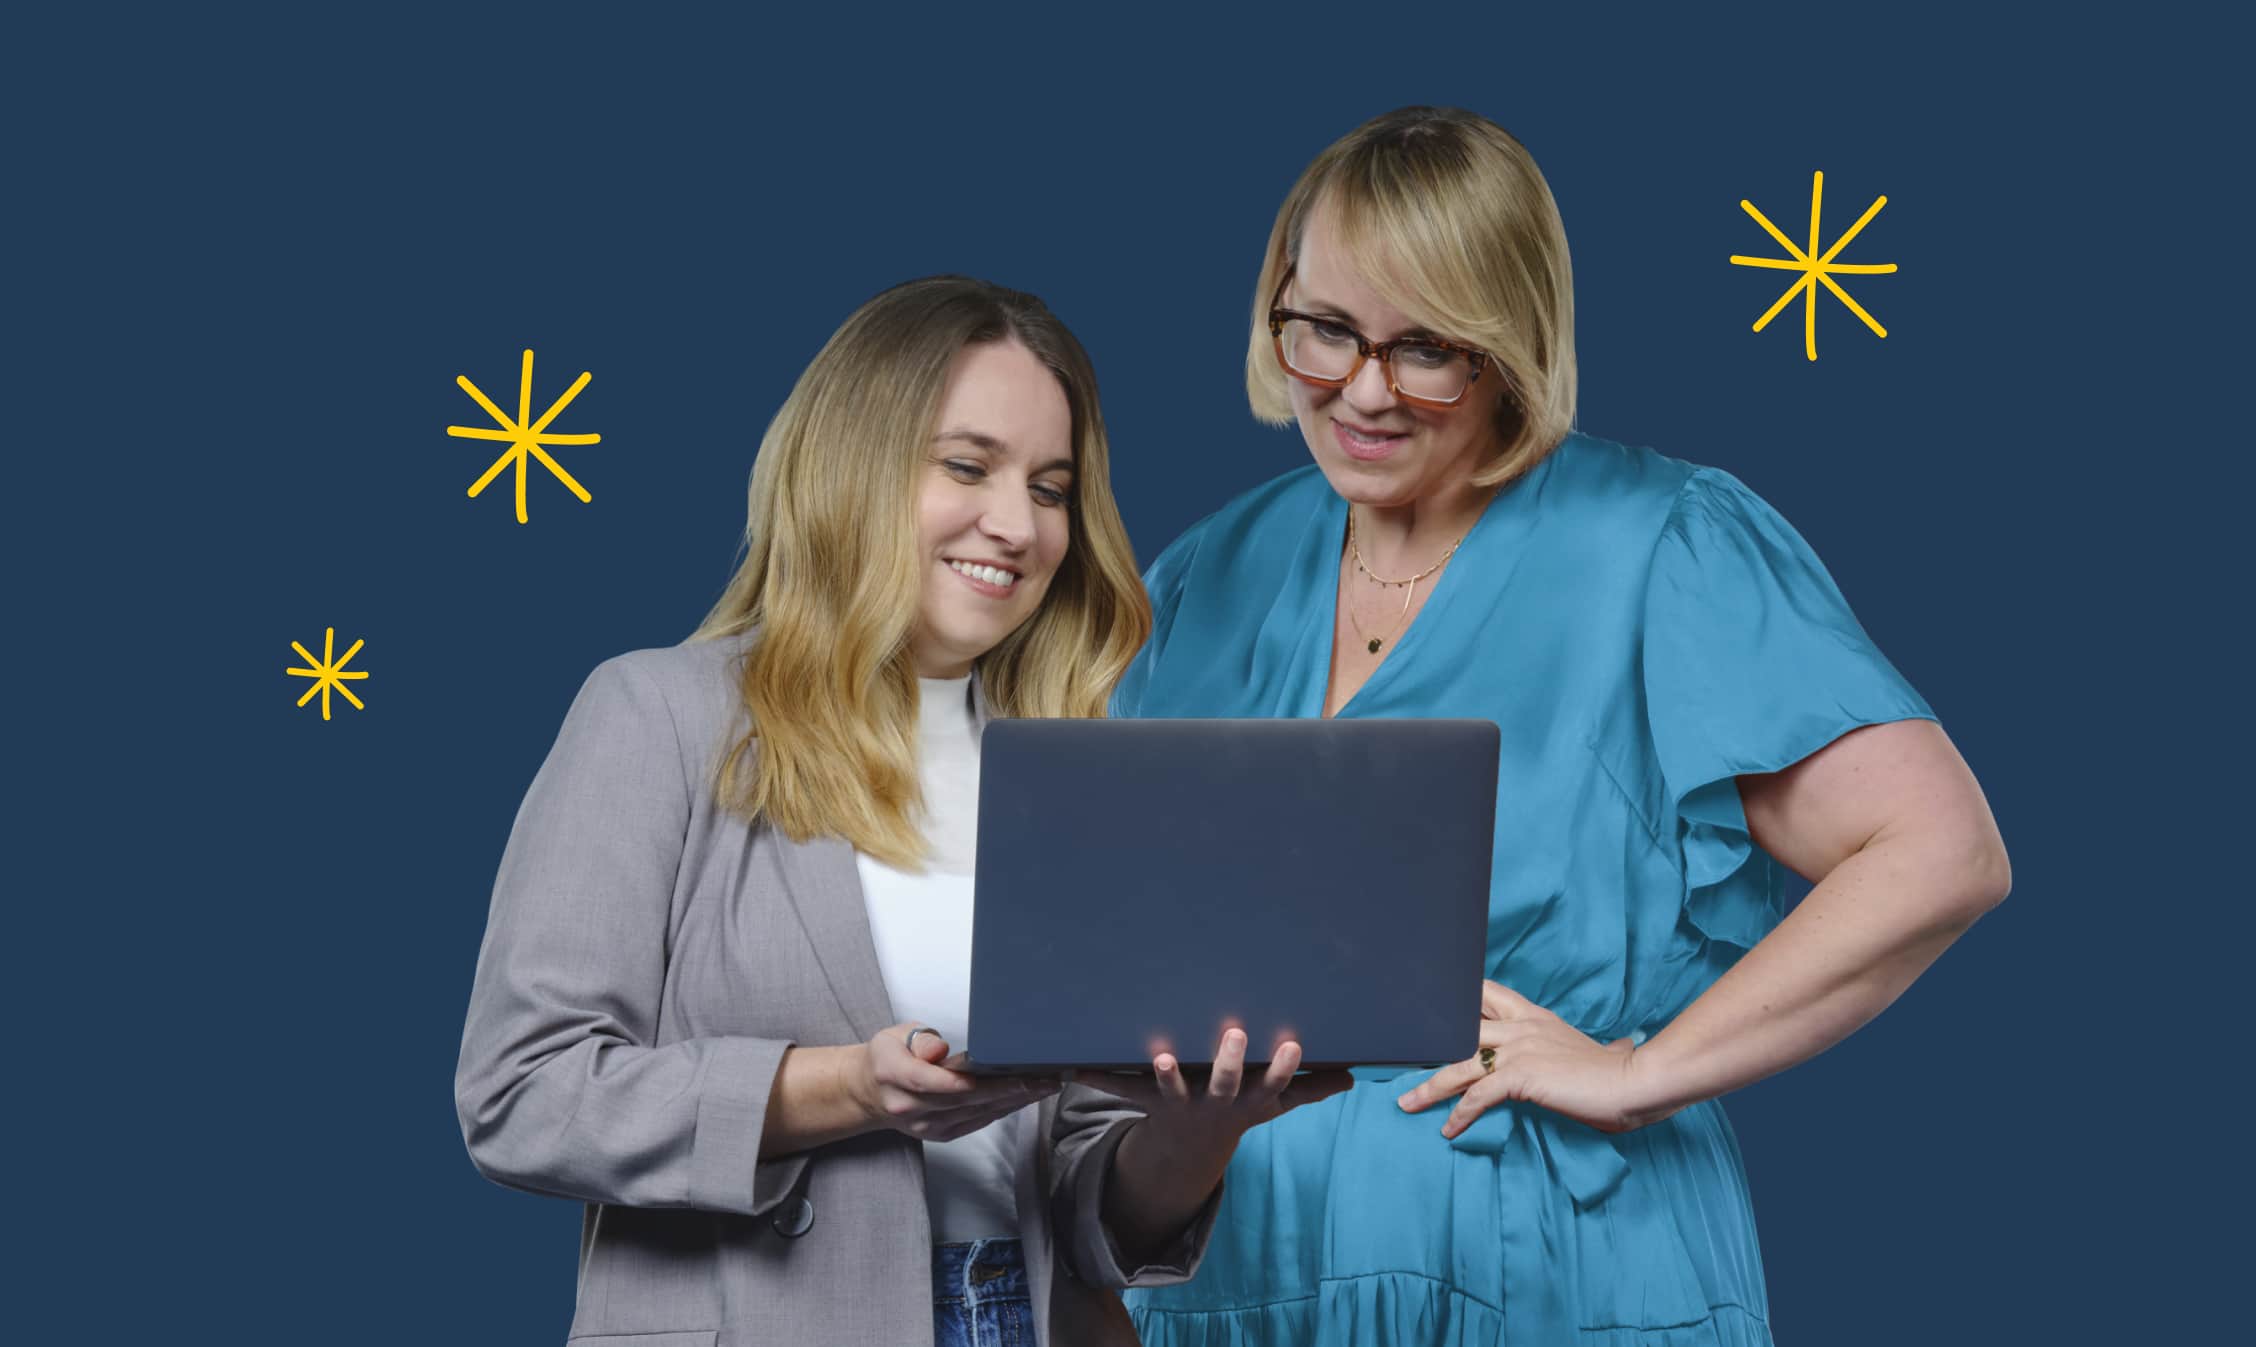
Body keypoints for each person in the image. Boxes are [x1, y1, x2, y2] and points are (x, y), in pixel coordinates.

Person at [1111, 108, 2013, 1345]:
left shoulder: (1655, 545)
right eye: (1324, 330)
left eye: (1423, 346)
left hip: (1549, 1263)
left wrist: (1643, 1072)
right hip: (1231, 1275)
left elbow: (1940, 852)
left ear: (1507, 344)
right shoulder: (1203, 573)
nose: (1361, 390)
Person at [454, 275, 1349, 1347]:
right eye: (967, 466)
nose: (1017, 524)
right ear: (853, 464)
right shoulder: (659, 716)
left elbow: (1098, 1217)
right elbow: (522, 1094)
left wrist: (1198, 1131)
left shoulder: (1074, 774)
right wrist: (840, 1090)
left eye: (1052, 487)